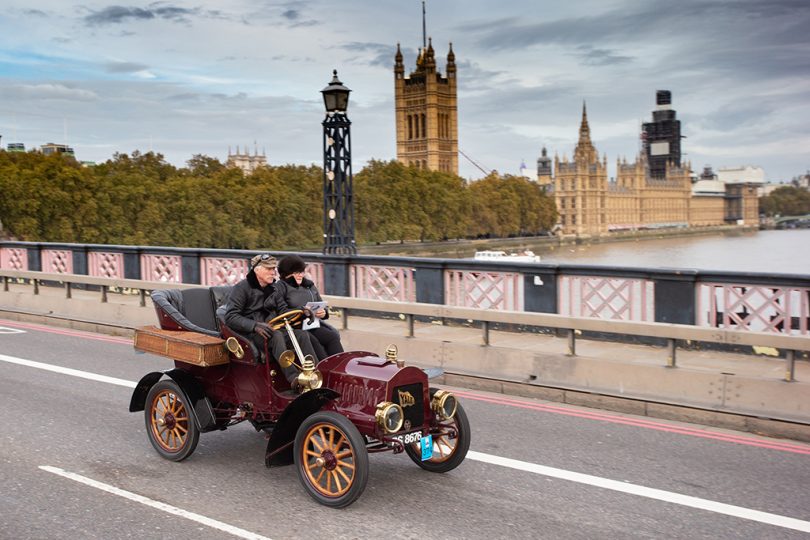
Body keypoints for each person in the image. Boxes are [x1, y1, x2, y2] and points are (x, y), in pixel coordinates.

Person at [223, 253, 319, 387]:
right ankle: (294, 378)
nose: (273, 272)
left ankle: (315, 374)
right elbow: (230, 317)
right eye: (269, 269)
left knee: (302, 335)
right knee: (277, 336)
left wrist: (303, 313)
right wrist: (254, 325)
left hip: (274, 329)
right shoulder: (241, 288)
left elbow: (283, 311)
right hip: (252, 334)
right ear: (257, 270)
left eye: (273, 268)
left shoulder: (273, 289)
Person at [275, 255, 344, 360]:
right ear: (286, 274)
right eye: (296, 272)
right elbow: (281, 311)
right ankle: (324, 370)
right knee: (315, 343)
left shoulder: (309, 285)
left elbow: (320, 304)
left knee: (332, 336)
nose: (300, 275)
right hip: (294, 327)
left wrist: (324, 313)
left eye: (302, 272)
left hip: (311, 324)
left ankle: (340, 366)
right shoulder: (280, 287)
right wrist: (303, 312)